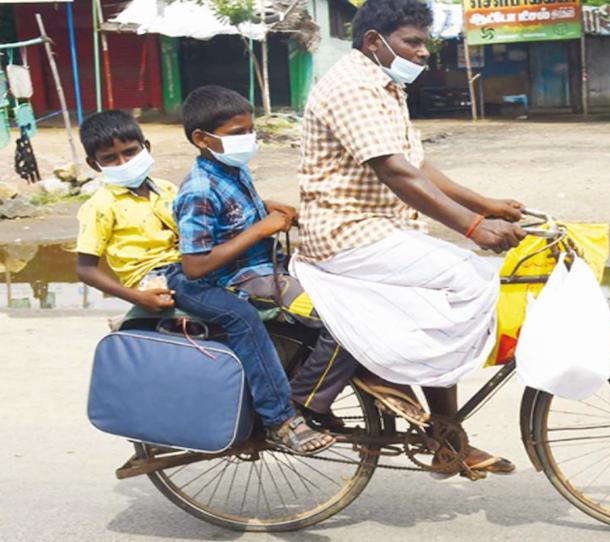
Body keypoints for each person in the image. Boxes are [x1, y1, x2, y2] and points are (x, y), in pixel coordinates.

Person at [290, 0, 528, 476]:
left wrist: (484, 204)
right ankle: (402, 379)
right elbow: (395, 171)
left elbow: (416, 163)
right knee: (470, 278)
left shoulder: (385, 84)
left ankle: (446, 441)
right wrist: (476, 227)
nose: (424, 53)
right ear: (375, 42)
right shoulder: (354, 87)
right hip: (345, 233)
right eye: (413, 42)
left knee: (447, 292)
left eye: (425, 42)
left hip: (378, 230)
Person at [75, 110, 331, 455]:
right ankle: (281, 419)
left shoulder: (165, 189)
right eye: (111, 158)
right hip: (164, 277)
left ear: (146, 147)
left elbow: (206, 216)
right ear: (95, 165)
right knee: (241, 316)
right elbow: (85, 269)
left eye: (130, 152)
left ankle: (300, 390)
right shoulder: (100, 205)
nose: (124, 161)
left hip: (192, 265)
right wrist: (138, 296)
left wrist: (265, 206)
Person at [173, 85, 364, 433]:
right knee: (342, 321)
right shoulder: (198, 190)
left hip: (267, 266)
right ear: (202, 138)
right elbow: (194, 265)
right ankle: (304, 402)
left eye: (250, 131)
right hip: (241, 280)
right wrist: (260, 229)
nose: (248, 139)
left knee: (355, 291)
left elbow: (236, 215)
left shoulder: (232, 171)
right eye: (236, 134)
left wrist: (269, 207)